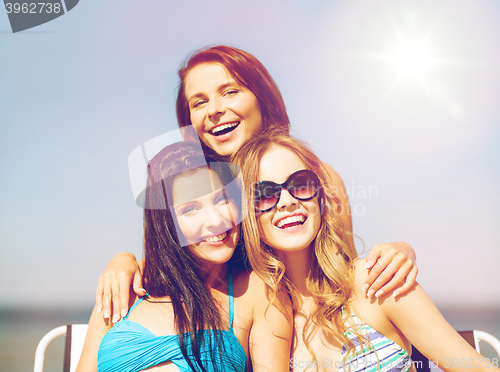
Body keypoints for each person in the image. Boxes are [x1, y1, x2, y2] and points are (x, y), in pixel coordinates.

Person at [97, 45, 418, 323]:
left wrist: (401, 251)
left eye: (230, 91)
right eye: (198, 103)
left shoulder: (318, 177)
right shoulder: (184, 191)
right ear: (188, 125)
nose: (215, 110)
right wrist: (124, 261)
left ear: (262, 99)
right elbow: (167, 266)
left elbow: (341, 271)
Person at [233, 131, 499, 371]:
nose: (288, 201)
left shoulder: (376, 281)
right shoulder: (262, 321)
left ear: (319, 196)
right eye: (265, 193)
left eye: (300, 184)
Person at [76, 141, 292, 372]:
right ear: (166, 224)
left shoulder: (257, 291)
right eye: (190, 209)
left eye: (221, 199)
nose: (215, 220)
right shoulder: (124, 288)